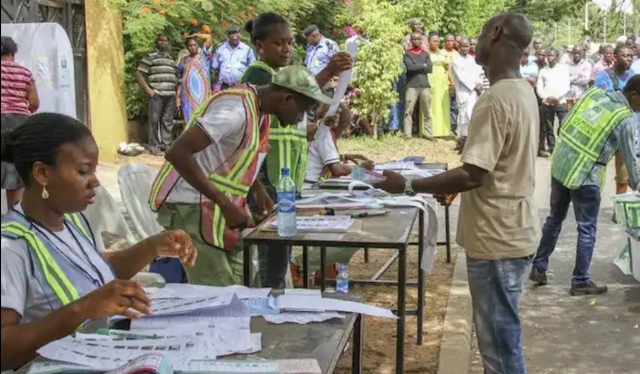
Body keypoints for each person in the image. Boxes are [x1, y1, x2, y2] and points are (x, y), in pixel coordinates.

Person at [375, 13, 539, 374]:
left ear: (495, 34)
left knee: (499, 349)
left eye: (480, 33)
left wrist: (406, 185)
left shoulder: (496, 98)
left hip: (497, 240)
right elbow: (501, 161)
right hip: (513, 232)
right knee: (502, 341)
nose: (476, 42)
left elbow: (474, 175)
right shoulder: (523, 90)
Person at [0, 113, 197, 371]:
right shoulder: (11, 246)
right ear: (42, 173)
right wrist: (84, 308)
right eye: (83, 171)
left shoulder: (72, 221)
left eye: (94, 169)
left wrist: (151, 246)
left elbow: (94, 271)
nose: (95, 181)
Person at [148, 66, 335, 287]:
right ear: (287, 98)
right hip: (190, 206)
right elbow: (177, 152)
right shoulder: (235, 110)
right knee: (219, 296)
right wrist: (225, 203)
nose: (299, 120)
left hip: (217, 210)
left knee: (249, 292)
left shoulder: (260, 111)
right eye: (301, 112)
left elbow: (234, 155)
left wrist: (257, 189)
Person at [239, 13, 352, 288]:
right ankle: (269, 307)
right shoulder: (259, 73)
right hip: (268, 179)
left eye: (290, 43)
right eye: (279, 43)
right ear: (259, 45)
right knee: (273, 254)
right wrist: (327, 71)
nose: (287, 49)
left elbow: (296, 124)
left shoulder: (279, 75)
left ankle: (275, 300)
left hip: (287, 177)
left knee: (281, 250)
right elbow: (293, 92)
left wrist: (323, 120)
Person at [530, 76, 640, 295]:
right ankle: (580, 280)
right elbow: (630, 158)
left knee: (554, 219)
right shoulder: (624, 118)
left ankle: (539, 266)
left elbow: (566, 124)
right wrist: (637, 185)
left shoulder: (593, 94)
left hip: (562, 165)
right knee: (587, 228)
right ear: (635, 95)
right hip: (585, 176)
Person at [594, 45, 635, 220]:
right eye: (625, 55)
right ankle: (590, 203)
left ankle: (618, 210)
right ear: (615, 57)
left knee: (623, 173)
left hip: (626, 129)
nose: (628, 59)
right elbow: (601, 99)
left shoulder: (634, 77)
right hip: (605, 130)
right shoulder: (603, 75)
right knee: (596, 170)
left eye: (631, 56)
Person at [1, 36, 39, 206]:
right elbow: (34, 103)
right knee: (14, 169)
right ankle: (13, 216)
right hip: (19, 123)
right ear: (13, 53)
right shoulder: (25, 73)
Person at [136, 34, 179, 156]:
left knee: (167, 121)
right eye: (161, 40)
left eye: (165, 40)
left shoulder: (170, 59)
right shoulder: (150, 56)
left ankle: (166, 146)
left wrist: (175, 92)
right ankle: (154, 146)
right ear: (157, 42)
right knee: (154, 120)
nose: (164, 43)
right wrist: (148, 90)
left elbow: (176, 76)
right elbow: (139, 74)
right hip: (157, 94)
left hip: (170, 94)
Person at [537, 47, 570, 154]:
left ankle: (562, 145)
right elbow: (539, 87)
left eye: (552, 56)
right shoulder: (543, 71)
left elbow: (566, 86)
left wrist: (557, 97)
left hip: (560, 101)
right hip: (547, 102)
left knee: (564, 124)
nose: (549, 58)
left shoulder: (563, 69)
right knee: (548, 126)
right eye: (548, 56)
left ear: (557, 57)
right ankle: (552, 147)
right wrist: (545, 97)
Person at [177, 33, 213, 124]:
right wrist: (177, 97)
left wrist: (195, 35)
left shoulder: (203, 56)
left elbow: (208, 37)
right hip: (187, 95)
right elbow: (179, 79)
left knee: (203, 117)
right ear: (187, 47)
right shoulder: (184, 60)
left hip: (203, 95)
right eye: (190, 46)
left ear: (198, 45)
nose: (192, 47)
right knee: (188, 118)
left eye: (195, 45)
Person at [403, 31, 433, 139]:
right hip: (411, 86)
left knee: (427, 111)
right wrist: (423, 65)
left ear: (422, 40)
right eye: (414, 39)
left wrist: (417, 66)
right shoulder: (407, 53)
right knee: (408, 112)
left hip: (425, 85)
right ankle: (407, 134)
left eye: (419, 39)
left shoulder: (426, 54)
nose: (417, 41)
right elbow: (410, 68)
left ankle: (429, 134)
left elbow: (430, 69)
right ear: (410, 41)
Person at [451, 38, 483, 139]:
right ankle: (463, 136)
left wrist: (479, 85)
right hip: (463, 90)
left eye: (467, 46)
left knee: (472, 111)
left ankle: (472, 135)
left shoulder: (471, 59)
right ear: (459, 47)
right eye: (463, 46)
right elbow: (461, 77)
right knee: (463, 113)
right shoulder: (456, 60)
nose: (465, 48)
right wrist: (474, 86)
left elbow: (477, 73)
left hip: (474, 91)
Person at [426, 32, 453, 138]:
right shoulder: (425, 53)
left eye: (437, 41)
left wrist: (452, 83)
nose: (436, 43)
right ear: (429, 41)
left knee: (443, 105)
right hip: (430, 79)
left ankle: (443, 131)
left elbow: (449, 68)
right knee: (432, 105)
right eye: (433, 41)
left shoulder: (442, 53)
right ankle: (431, 130)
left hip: (442, 81)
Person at [212, 25, 256, 90]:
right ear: (228, 35)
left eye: (237, 35)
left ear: (240, 35)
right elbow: (216, 68)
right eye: (232, 35)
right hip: (224, 86)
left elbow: (252, 69)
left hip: (241, 87)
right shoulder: (221, 49)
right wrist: (217, 86)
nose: (235, 37)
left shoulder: (247, 50)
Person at [566, 44, 592, 109]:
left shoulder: (587, 65)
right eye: (575, 53)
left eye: (579, 53)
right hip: (569, 96)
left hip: (581, 95)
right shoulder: (566, 65)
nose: (577, 55)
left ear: (582, 54)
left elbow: (586, 81)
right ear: (572, 53)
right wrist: (579, 76)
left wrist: (571, 79)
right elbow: (565, 80)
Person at [444, 34, 460, 135]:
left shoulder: (457, 54)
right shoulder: (441, 53)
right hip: (444, 83)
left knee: (454, 106)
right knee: (446, 106)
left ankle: (453, 127)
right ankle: (445, 126)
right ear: (444, 42)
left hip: (455, 83)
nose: (449, 42)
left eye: (451, 41)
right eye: (447, 41)